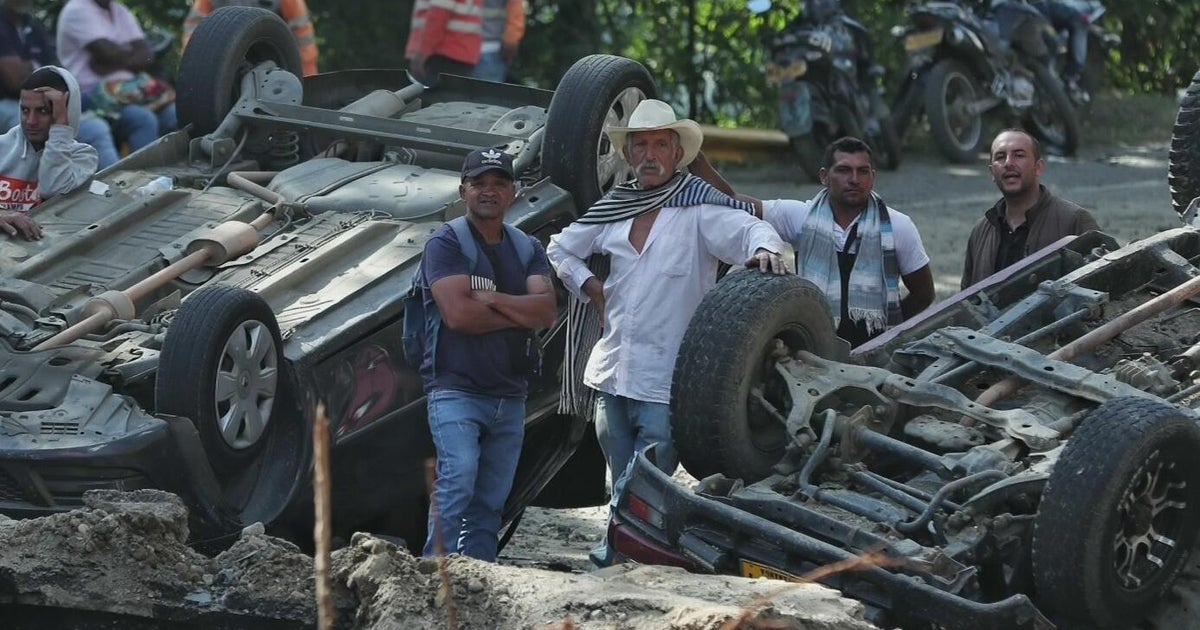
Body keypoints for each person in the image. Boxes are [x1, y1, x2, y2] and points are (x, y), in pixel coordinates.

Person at [546, 99, 787, 567]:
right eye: (641, 145)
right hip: (612, 369)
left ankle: (619, 553)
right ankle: (625, 548)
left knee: (648, 476)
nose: (650, 153)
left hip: (667, 376)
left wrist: (763, 251)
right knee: (620, 473)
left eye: (660, 144)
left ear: (678, 154)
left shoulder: (699, 208)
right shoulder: (615, 207)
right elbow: (560, 248)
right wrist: (591, 287)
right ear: (630, 155)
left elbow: (752, 230)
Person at [419, 147, 556, 561]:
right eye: (479, 183)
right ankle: (431, 574)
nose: (488, 191)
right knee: (457, 481)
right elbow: (459, 316)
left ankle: (481, 580)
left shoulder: (526, 246)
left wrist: (493, 298)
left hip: (510, 395)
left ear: (514, 192)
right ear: (463, 190)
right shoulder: (445, 243)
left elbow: (547, 312)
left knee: (491, 501)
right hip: (455, 389)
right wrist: (520, 312)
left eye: (499, 183)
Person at [756, 136, 934, 347]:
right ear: (824, 176)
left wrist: (888, 330)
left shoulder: (898, 226)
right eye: (843, 170)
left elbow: (924, 293)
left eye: (863, 171)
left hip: (875, 354)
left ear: (873, 177)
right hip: (813, 349)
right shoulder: (802, 217)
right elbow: (737, 203)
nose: (854, 179)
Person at [961, 129, 1099, 289]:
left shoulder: (1074, 220)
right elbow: (965, 302)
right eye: (1000, 157)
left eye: (1019, 155)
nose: (1008, 163)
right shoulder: (981, 231)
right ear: (992, 172)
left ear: (1038, 167)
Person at [0, 0, 117, 167]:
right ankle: (30, 190)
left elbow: (58, 73)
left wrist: (28, 66)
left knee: (96, 128)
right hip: (8, 104)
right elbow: (15, 81)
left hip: (44, 102)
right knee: (29, 126)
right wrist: (36, 67)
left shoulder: (34, 27)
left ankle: (118, 187)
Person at [56, 0, 177, 153]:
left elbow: (146, 55)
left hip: (130, 90)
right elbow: (106, 53)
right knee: (142, 119)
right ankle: (146, 176)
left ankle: (180, 173)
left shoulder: (119, 10)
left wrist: (109, 61)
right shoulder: (77, 8)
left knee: (174, 113)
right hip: (90, 95)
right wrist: (130, 56)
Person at [0, 66, 98, 239]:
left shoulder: (83, 156)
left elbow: (53, 188)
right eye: (25, 110)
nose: (31, 121)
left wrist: (60, 128)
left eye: (43, 111)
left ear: (66, 113)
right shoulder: (2, 146)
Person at [182, 0, 319, 77]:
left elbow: (303, 35)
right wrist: (193, 69)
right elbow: (194, 27)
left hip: (272, 67)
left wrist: (307, 79)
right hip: (223, 67)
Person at [405, 0, 483, 87]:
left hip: (440, 55)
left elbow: (438, 16)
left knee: (430, 98)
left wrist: (422, 53)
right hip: (463, 54)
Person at [472, 0, 523, 83]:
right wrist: (511, 41)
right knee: (486, 93)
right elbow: (515, 15)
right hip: (490, 50)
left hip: (459, 48)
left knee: (453, 93)